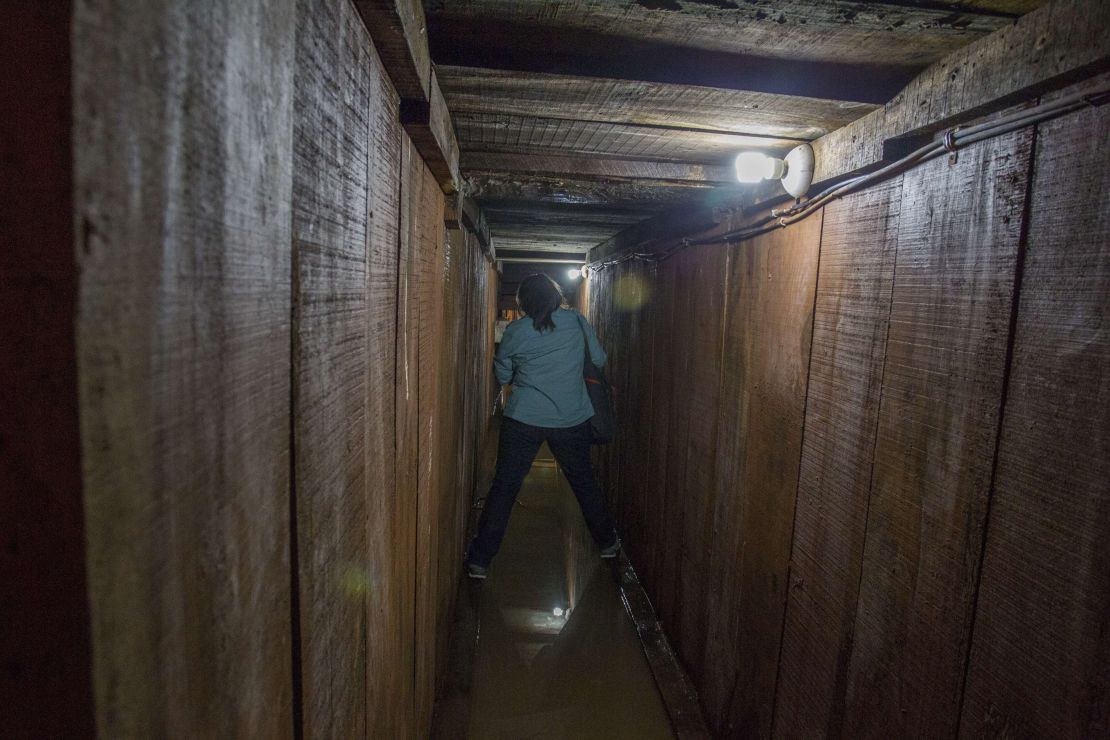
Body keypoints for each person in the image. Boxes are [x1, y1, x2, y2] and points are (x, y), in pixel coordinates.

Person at [465, 274, 619, 579]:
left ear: (523, 302)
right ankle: (608, 544)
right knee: (584, 484)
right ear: (555, 296)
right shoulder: (576, 322)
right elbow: (599, 358)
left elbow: (504, 374)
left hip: (523, 419)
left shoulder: (516, 330)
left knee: (505, 487)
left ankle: (480, 560)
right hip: (571, 418)